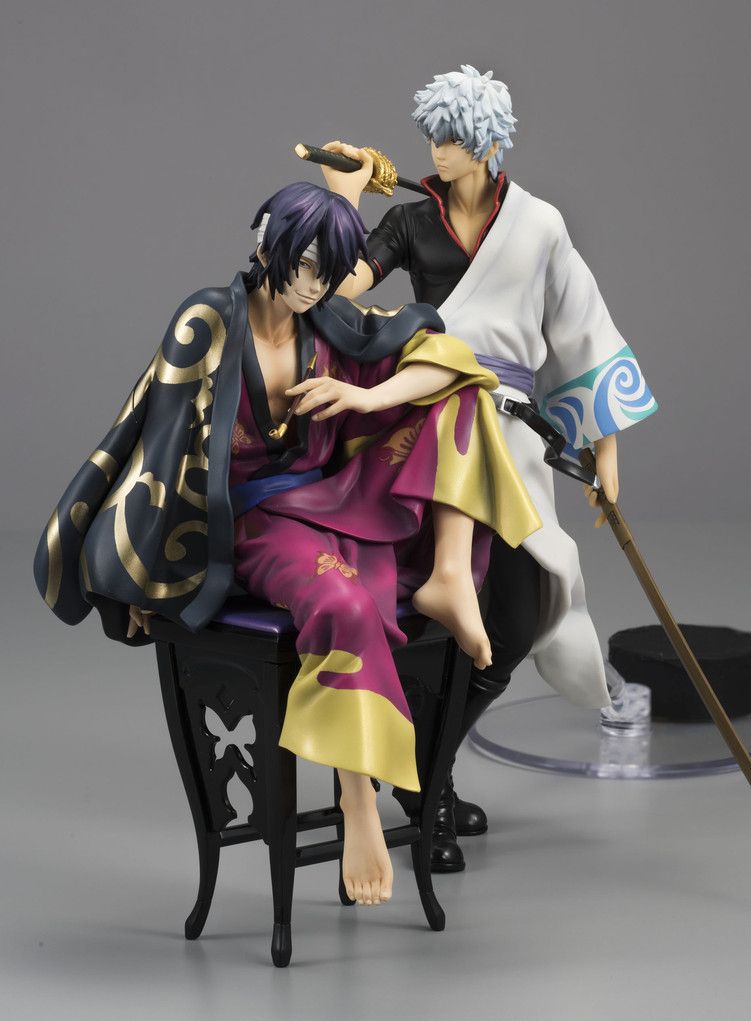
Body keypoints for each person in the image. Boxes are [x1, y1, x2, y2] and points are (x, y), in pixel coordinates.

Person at [34, 181, 540, 907]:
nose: (311, 285)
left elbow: (450, 356)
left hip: (328, 497)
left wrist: (364, 397)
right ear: (266, 242)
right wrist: (147, 575)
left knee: (457, 394)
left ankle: (451, 574)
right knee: (345, 604)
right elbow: (159, 443)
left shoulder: (329, 322)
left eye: (327, 273)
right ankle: (359, 802)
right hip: (247, 522)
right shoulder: (209, 321)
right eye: (303, 265)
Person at [320, 64, 658, 871]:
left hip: (508, 440)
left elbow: (582, 327)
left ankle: (422, 770)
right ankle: (423, 790)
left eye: (451, 138)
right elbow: (335, 288)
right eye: (431, 137)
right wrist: (344, 201)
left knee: (512, 617)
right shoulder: (410, 221)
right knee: (425, 610)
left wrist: (606, 453)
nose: (436, 151)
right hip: (424, 425)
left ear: (485, 143)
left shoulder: (536, 225)